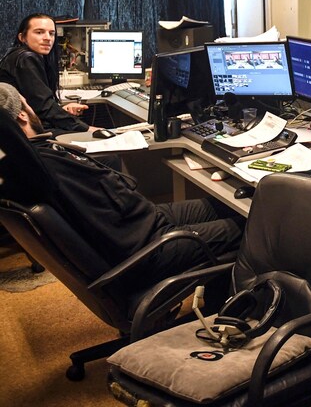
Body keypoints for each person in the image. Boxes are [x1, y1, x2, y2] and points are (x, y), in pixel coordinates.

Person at [0, 83, 244, 288]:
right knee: (248, 224)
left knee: (225, 205)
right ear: (22, 114)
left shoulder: (25, 166)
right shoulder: (51, 165)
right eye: (27, 102)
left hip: (143, 224)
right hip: (147, 250)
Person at [0, 14, 93, 134]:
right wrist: (87, 129)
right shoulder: (26, 58)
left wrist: (61, 110)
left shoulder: (18, 55)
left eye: (51, 33)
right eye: (39, 32)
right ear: (22, 37)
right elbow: (44, 107)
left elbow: (38, 104)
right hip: (23, 131)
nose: (48, 38)